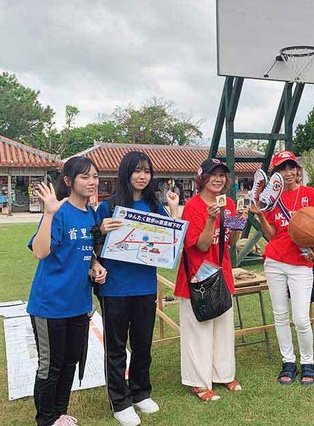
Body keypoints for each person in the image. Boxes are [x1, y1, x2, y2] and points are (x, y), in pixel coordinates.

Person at [94, 151, 178, 426]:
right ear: (126, 173)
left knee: (143, 344)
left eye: (147, 171)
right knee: (116, 347)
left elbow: (170, 241)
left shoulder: (156, 207)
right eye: (136, 171)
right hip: (115, 288)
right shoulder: (108, 208)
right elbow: (91, 248)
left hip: (144, 287)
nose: (142, 176)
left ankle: (141, 392)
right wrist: (101, 231)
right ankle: (120, 401)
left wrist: (173, 211)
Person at [27, 156, 107, 426]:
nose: (92, 182)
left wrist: (95, 265)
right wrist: (48, 214)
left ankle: (59, 413)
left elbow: (86, 252)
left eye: (95, 176)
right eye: (85, 177)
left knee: (71, 361)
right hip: (50, 304)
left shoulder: (91, 214)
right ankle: (46, 420)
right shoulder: (59, 211)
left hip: (78, 303)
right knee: (51, 366)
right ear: (69, 181)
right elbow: (40, 251)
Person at [174, 158, 247, 401]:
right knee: (199, 331)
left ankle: (224, 374)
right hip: (197, 277)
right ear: (202, 178)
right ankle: (198, 382)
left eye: (222, 174)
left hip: (222, 274)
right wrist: (210, 219)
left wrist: (239, 222)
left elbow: (232, 242)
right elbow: (202, 245)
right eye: (212, 174)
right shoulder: (193, 206)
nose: (218, 179)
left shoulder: (229, 203)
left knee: (224, 329)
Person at [250, 150, 314, 386]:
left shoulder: (309, 194)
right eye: (282, 169)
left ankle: (308, 363)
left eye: (292, 167)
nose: (289, 173)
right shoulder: (271, 199)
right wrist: (260, 215)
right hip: (275, 261)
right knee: (280, 315)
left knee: (301, 318)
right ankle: (288, 362)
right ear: (276, 174)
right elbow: (272, 235)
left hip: (301, 263)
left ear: (298, 170)